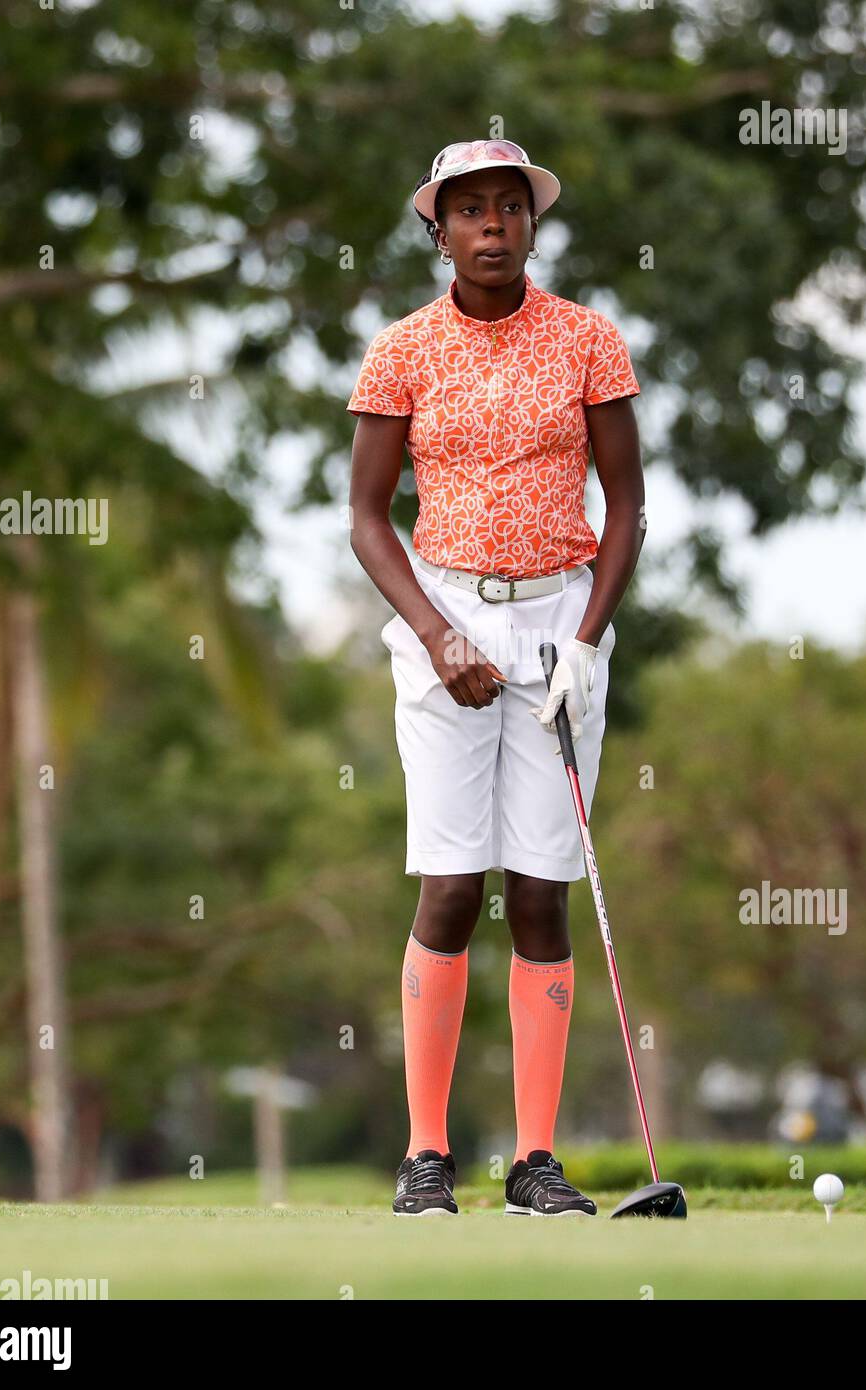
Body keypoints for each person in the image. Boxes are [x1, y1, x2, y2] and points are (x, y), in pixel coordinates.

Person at [347, 138, 644, 1216]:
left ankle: (531, 1161)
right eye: (466, 210)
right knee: (450, 883)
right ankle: (427, 1155)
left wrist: (587, 640)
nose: (489, 226)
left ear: (531, 224)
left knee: (539, 892)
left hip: (560, 620)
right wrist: (434, 633)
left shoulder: (587, 342)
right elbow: (367, 518)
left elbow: (626, 508)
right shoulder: (401, 352)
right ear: (436, 230)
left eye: (506, 209)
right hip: (444, 617)